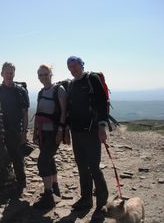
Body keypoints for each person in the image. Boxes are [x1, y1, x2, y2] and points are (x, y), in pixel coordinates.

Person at [66, 56, 109, 223]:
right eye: (70, 66)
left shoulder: (92, 79)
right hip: (77, 132)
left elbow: (101, 103)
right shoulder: (72, 84)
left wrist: (102, 128)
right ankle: (86, 199)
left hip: (92, 132)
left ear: (82, 65)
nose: (73, 69)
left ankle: (102, 204)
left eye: (75, 65)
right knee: (82, 167)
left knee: (94, 168)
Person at [0, 62, 29, 195]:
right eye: (7, 72)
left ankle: (21, 184)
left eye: (11, 72)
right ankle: (4, 181)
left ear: (14, 74)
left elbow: (25, 113)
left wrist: (24, 132)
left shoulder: (20, 91)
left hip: (15, 130)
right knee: (0, 157)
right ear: (2, 74)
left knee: (17, 158)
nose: (9, 75)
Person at [32, 64, 67, 210]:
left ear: (51, 74)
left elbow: (64, 112)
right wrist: (34, 131)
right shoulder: (41, 92)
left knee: (42, 161)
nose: (43, 77)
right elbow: (38, 112)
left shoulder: (59, 90)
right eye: (40, 75)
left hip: (53, 132)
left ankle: (48, 195)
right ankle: (55, 186)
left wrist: (61, 131)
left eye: (45, 74)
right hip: (42, 132)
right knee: (49, 158)